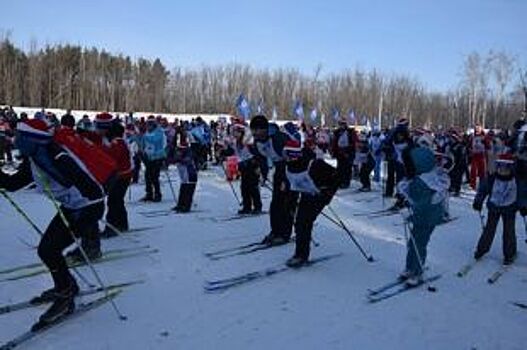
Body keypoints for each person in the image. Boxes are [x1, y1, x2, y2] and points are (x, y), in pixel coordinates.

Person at [0, 119, 105, 328]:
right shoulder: (35, 157)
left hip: (87, 208)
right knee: (48, 250)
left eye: (20, 137)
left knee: (49, 250)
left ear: (32, 140)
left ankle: (65, 296)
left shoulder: (56, 156)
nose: (15, 140)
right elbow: (13, 184)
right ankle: (67, 286)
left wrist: (79, 201)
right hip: (73, 207)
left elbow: (89, 186)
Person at [397, 146, 450, 285]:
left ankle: (418, 271)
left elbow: (422, 203)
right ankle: (410, 268)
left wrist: (409, 210)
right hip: (421, 216)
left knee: (419, 243)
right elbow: (411, 194)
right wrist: (404, 200)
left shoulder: (425, 181)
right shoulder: (420, 177)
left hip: (428, 217)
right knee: (413, 242)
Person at [282, 137, 338, 267]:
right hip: (306, 195)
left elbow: (336, 176)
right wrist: (289, 204)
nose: (286, 158)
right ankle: (300, 253)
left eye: (288, 154)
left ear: (294, 154)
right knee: (300, 223)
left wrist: (327, 194)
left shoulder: (314, 164)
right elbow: (292, 187)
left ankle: (301, 255)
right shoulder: (289, 167)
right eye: (285, 155)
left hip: (319, 195)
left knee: (303, 223)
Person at [250, 115, 297, 246]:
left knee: (286, 204)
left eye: (256, 130)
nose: (254, 133)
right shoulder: (257, 141)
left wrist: (287, 180)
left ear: (264, 129)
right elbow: (261, 159)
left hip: (292, 170)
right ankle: (275, 231)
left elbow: (293, 158)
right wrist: (263, 175)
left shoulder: (278, 138)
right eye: (253, 130)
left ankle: (284, 234)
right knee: (275, 204)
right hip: (279, 169)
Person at [472, 153, 522, 265]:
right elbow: (483, 189)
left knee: (509, 230)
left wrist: (523, 205)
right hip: (494, 207)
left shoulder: (516, 180)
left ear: (511, 168)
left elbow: (522, 193)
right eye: (500, 167)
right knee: (489, 229)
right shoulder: (491, 178)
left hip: (510, 208)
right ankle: (481, 249)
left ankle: (509, 254)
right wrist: (478, 201)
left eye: (505, 167)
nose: (502, 170)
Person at [140, 116, 167, 202]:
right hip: (149, 157)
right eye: (147, 125)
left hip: (157, 157)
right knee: (147, 176)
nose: (148, 127)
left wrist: (145, 137)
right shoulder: (147, 133)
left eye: (150, 125)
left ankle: (158, 194)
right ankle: (149, 193)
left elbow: (155, 141)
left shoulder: (159, 132)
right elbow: (144, 143)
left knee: (154, 176)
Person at [172, 134, 197, 212]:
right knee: (183, 187)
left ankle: (186, 206)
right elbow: (174, 158)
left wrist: (180, 160)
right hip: (183, 173)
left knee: (188, 188)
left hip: (190, 172)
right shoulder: (178, 149)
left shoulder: (189, 150)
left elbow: (188, 159)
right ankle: (180, 204)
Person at [331, 119, 356, 189]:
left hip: (348, 152)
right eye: (340, 124)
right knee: (340, 168)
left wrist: (349, 152)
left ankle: (346, 182)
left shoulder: (350, 132)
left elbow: (353, 143)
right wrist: (333, 152)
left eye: (343, 124)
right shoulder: (337, 132)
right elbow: (334, 143)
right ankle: (340, 182)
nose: (341, 126)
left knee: (347, 169)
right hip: (339, 153)